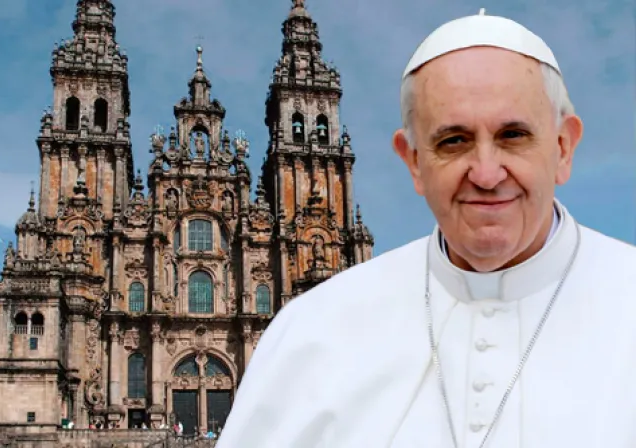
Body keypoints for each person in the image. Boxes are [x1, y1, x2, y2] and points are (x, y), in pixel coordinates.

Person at [216, 9, 636, 448]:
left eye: (513, 135)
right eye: (453, 140)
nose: (487, 173)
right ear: (413, 161)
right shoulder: (309, 330)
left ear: (563, 147)